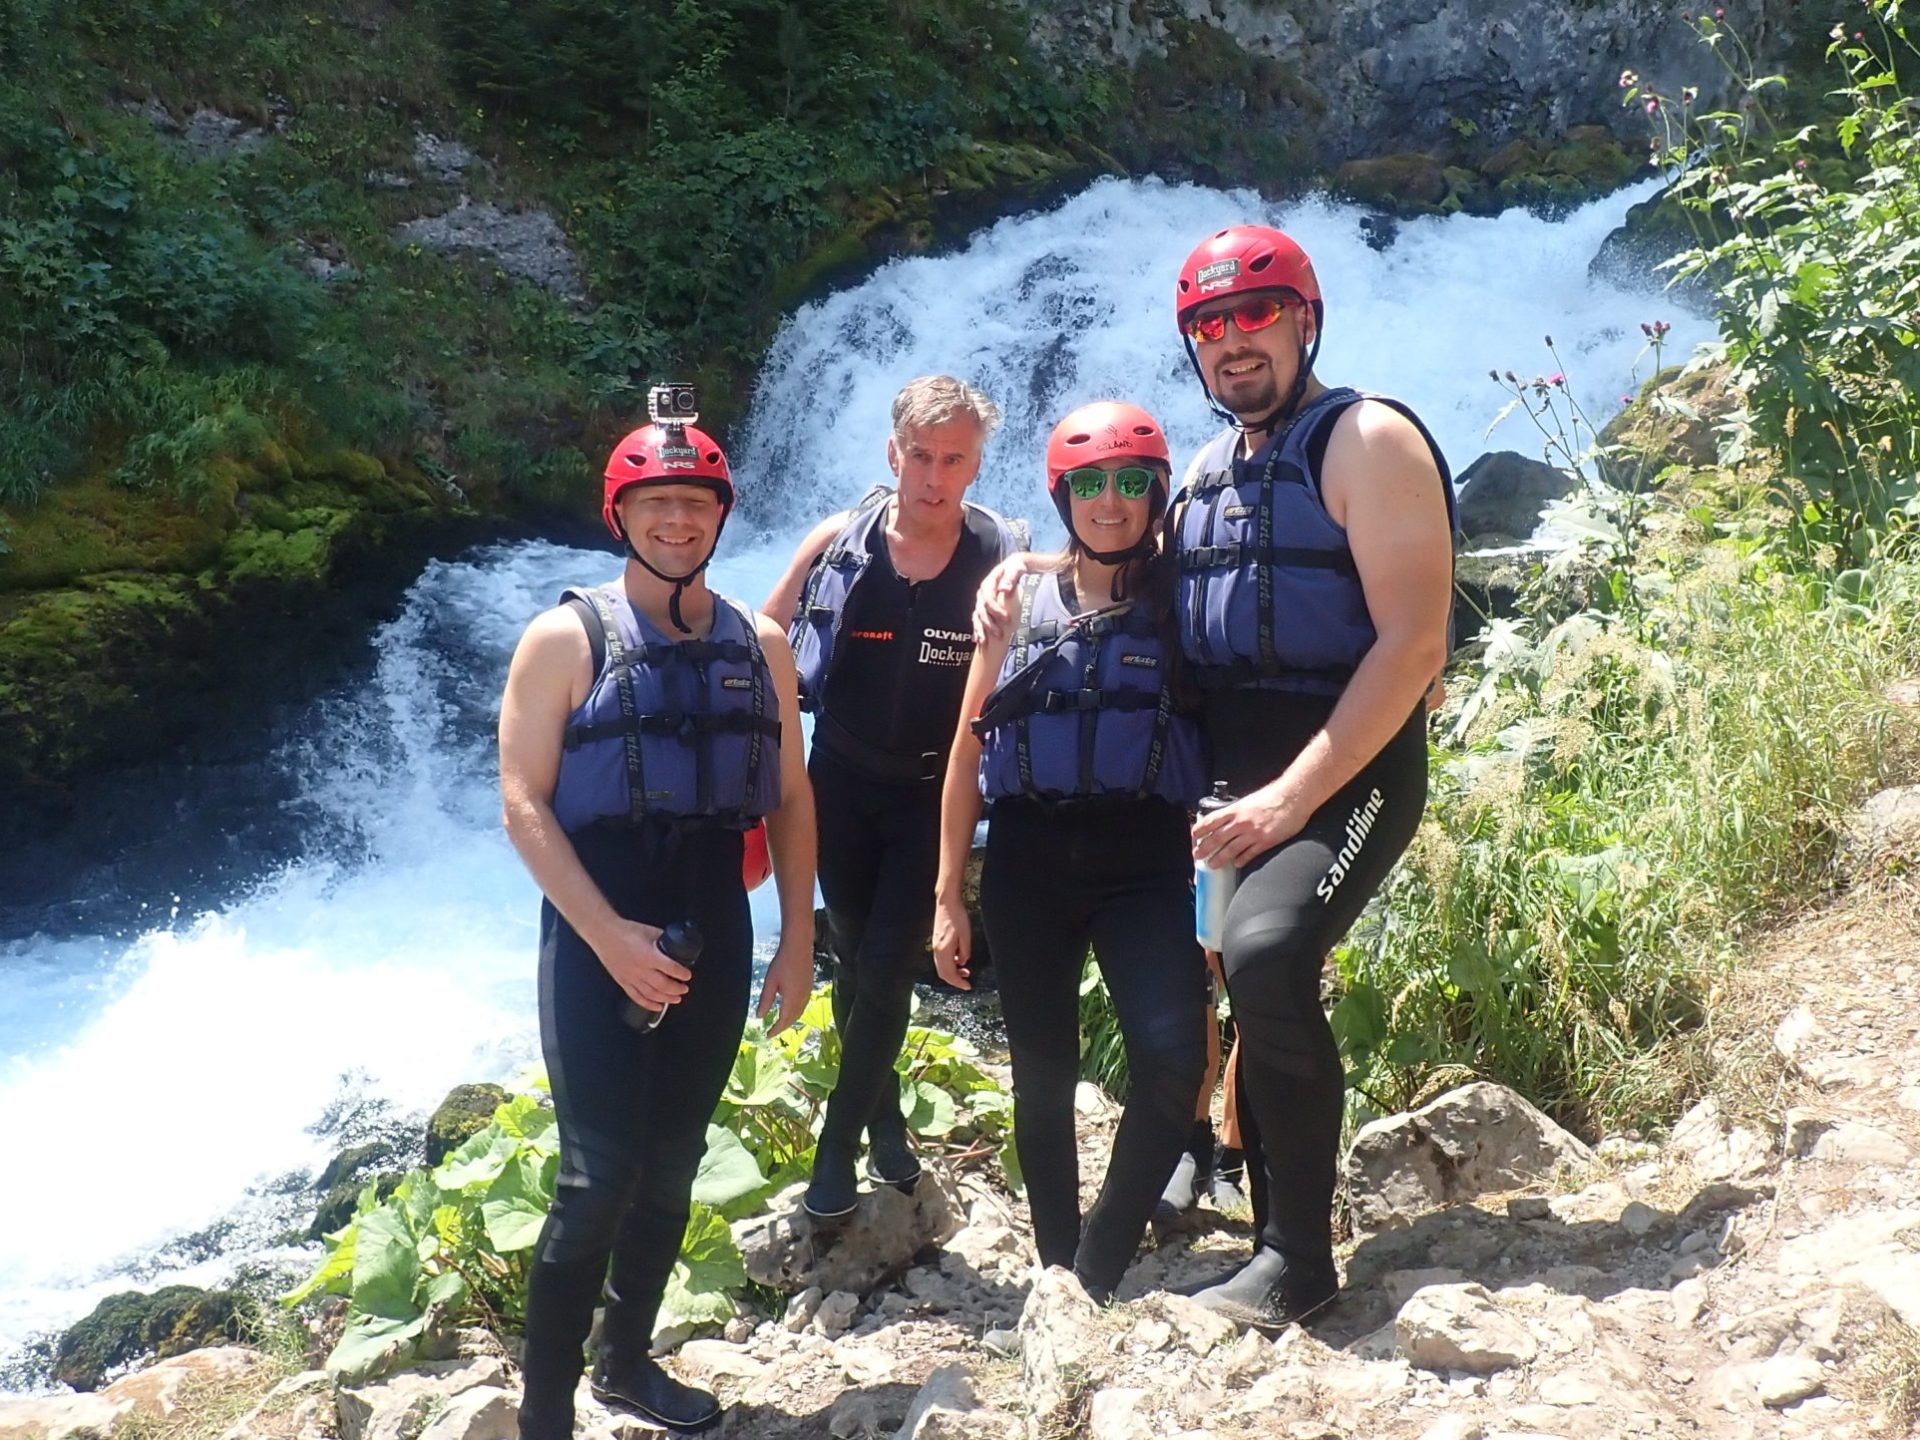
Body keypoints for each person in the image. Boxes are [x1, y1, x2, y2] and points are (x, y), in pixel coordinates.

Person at [499, 399, 816, 1437]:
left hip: (713, 922)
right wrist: (608, 938)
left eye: (694, 504)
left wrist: (797, 943)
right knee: (597, 1177)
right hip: (600, 928)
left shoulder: (760, 642)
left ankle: (625, 1363)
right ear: (620, 515)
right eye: (656, 504)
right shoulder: (564, 638)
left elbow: (790, 799)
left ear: (720, 516)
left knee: (674, 1159)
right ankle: (546, 1412)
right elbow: (521, 801)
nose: (677, 521)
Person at [1168, 224, 1456, 1329]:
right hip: (1232, 789)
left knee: (1271, 954)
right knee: (1235, 972)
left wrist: (1292, 797)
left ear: (1305, 320)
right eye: (1209, 327)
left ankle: (1298, 1256)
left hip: (1353, 764)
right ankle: (1255, 1232)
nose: (1232, 343)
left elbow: (1413, 645)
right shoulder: (1208, 472)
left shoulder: (1367, 439)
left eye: (1255, 316)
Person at [931, 401, 1210, 1302]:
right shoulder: (1015, 601)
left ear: (1158, 491)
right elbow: (970, 747)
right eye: (1088, 484)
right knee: (1042, 1079)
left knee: (1173, 1058)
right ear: (1061, 494)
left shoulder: (1187, 599)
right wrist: (948, 894)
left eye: (1132, 482)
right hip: (1029, 858)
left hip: (1147, 857)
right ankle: (1058, 1270)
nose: (1111, 501)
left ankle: (1093, 1269)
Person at [762, 375, 1027, 1221]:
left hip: (932, 796)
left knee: (884, 965)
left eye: (954, 459)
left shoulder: (999, 560)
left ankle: (835, 1152)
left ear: (978, 464)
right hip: (837, 783)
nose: (935, 475)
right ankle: (886, 1124)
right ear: (893, 453)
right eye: (921, 455)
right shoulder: (840, 547)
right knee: (851, 953)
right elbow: (762, 646)